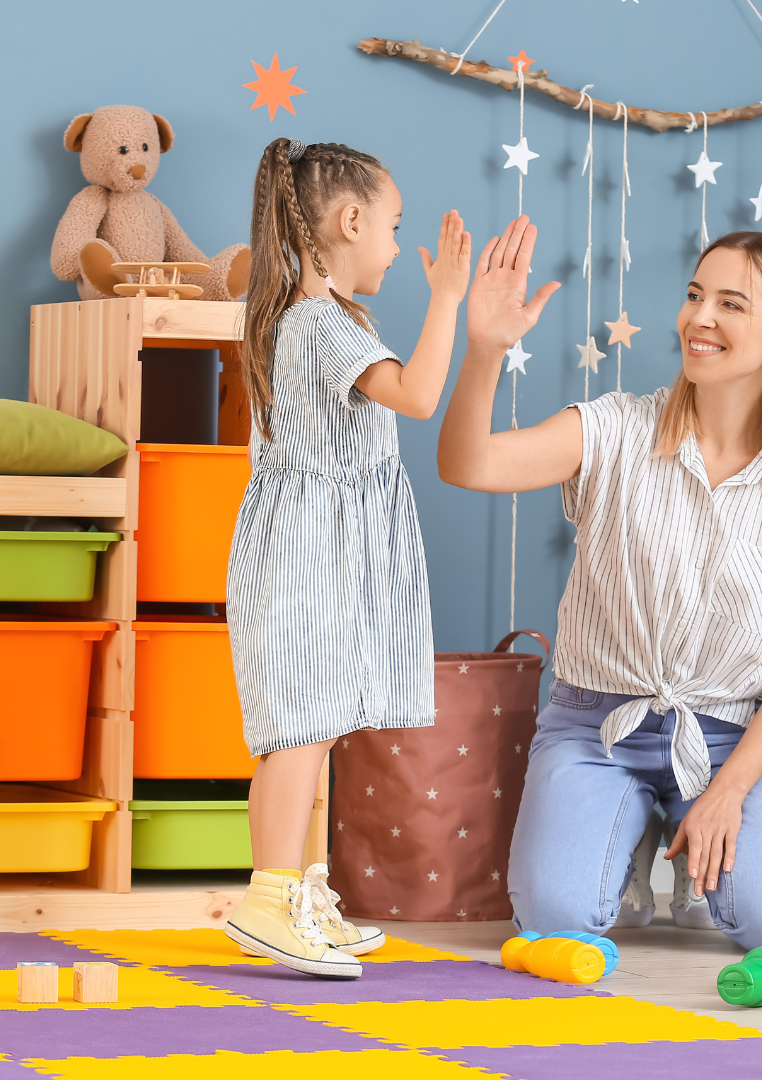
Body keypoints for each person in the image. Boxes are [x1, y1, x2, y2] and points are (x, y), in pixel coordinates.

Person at [439, 221, 762, 951]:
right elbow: (468, 465)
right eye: (696, 295)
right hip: (596, 727)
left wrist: (729, 791)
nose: (700, 318)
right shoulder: (612, 430)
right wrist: (483, 351)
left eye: (732, 304)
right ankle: (629, 845)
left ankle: (699, 863)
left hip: (728, 738)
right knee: (557, 921)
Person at [224, 138, 472, 977]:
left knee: (316, 724)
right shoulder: (320, 325)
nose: (400, 248)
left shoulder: (309, 318)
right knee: (298, 729)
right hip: (304, 556)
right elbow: (420, 395)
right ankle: (269, 897)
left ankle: (300, 890)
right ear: (351, 219)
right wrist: (447, 302)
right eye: (395, 227)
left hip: (318, 552)